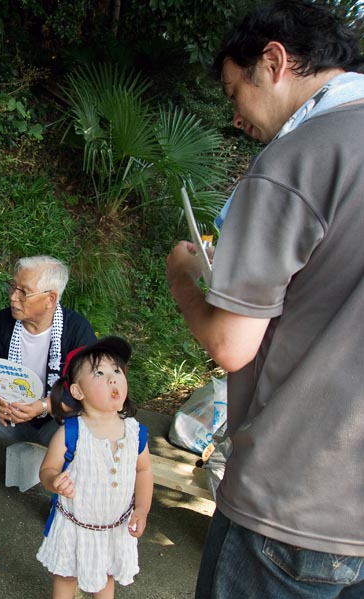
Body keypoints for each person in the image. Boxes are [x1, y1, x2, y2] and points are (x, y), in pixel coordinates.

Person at [165, 2, 364, 597]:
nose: (234, 115)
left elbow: (232, 344)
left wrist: (182, 272)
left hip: (291, 499)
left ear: (273, 62)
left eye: (234, 92)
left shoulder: (299, 157)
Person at [0, 255, 96, 514]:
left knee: (85, 427)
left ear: (50, 299)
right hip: (5, 415)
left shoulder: (76, 330)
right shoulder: (3, 322)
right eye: (13, 287)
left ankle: (68, 499)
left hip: (53, 424)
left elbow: (87, 391)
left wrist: (42, 406)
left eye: (24, 292)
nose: (13, 297)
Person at [36, 337, 153, 599]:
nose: (113, 378)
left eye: (116, 370)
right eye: (99, 373)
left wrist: (143, 509)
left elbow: (143, 471)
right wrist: (54, 480)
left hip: (113, 527)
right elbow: (47, 469)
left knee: (106, 577)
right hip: (74, 526)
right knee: (66, 577)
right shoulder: (72, 432)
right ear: (78, 392)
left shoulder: (135, 432)